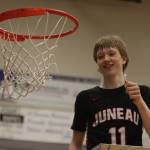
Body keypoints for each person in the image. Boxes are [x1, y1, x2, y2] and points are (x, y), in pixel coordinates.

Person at [69, 35, 150, 150]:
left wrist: (139, 102)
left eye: (111, 54)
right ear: (97, 63)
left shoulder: (142, 92)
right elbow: (75, 144)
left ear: (124, 59)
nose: (106, 59)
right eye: (100, 56)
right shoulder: (85, 97)